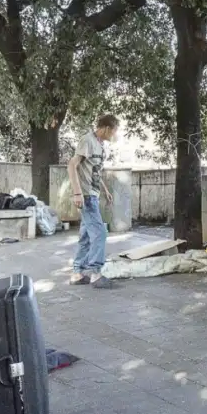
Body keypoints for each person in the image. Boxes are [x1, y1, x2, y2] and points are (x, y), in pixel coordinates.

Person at [67, 114, 117, 289]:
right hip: (86, 195)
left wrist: (105, 190)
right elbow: (72, 165)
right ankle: (96, 274)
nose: (114, 135)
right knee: (99, 233)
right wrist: (77, 193)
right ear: (106, 128)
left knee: (86, 236)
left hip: (93, 194)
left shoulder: (100, 145)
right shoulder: (87, 140)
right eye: (114, 131)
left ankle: (77, 273)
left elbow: (95, 170)